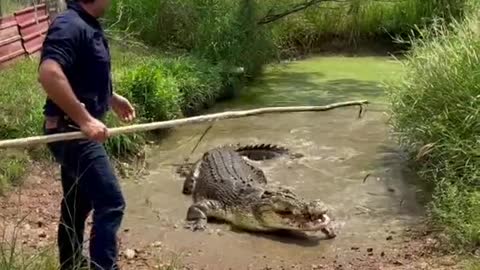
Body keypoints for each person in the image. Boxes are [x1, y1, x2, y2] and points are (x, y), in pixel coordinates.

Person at [37, 0, 135, 269]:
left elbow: (79, 74)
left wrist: (111, 98)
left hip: (74, 129)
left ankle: (70, 264)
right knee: (111, 202)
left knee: (77, 205)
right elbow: (49, 73)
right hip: (71, 132)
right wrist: (85, 120)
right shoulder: (70, 24)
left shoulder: (87, 24)